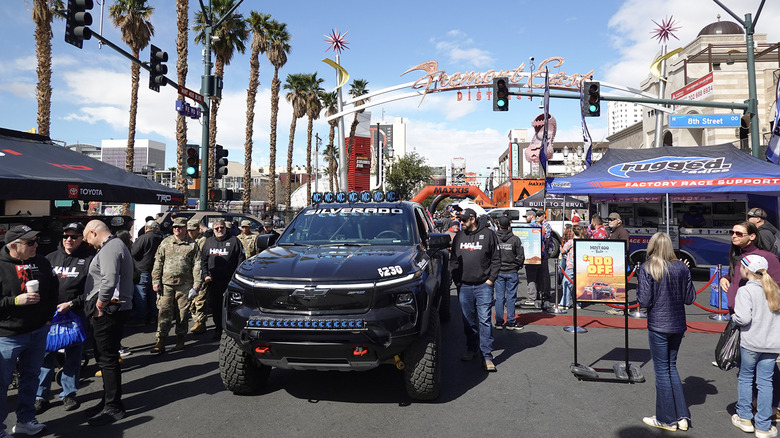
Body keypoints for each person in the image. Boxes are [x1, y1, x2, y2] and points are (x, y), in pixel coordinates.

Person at [0, 225, 58, 436]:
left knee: (31, 377)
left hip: (37, 331)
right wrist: (15, 301)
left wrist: (47, 318)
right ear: (13, 246)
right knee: (2, 383)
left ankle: (25, 420)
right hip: (6, 335)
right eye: (30, 242)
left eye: (36, 241)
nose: (36, 245)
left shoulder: (41, 262)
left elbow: (53, 291)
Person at [637, 232, 695, 432]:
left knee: (662, 371)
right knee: (671, 367)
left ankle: (667, 418)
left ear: (652, 247)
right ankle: (681, 416)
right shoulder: (682, 268)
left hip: (659, 324)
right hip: (678, 324)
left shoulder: (648, 268)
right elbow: (689, 298)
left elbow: (644, 301)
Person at [36, 222, 94, 414]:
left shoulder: (89, 260)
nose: (69, 239)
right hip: (49, 316)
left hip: (74, 315)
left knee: (73, 356)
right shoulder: (49, 258)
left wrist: (72, 303)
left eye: (74, 236)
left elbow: (92, 291)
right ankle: (40, 396)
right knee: (45, 355)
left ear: (81, 238)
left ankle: (69, 394)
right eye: (66, 236)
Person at [81, 219, 134, 426]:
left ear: (93, 233)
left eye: (87, 239)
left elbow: (109, 280)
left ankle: (113, 406)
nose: (89, 244)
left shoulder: (110, 248)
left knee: (107, 360)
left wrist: (100, 306)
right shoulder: (113, 246)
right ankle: (108, 401)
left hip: (109, 311)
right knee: (105, 358)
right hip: (111, 309)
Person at [731, 254, 780, 437]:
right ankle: (763, 425)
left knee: (745, 378)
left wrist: (733, 318)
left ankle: (744, 418)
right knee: (765, 382)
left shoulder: (746, 291)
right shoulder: (774, 290)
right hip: (772, 344)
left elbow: (743, 318)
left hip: (751, 343)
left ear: (746, 270)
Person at [449, 208, 500, 372]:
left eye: (463, 220)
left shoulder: (488, 235)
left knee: (484, 319)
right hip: (464, 286)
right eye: (460, 220)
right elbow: (453, 260)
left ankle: (486, 355)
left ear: (472, 219)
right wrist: (457, 281)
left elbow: (496, 259)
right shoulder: (459, 236)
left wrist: (491, 280)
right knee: (468, 321)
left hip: (483, 285)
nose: (460, 223)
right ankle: (471, 348)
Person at [150, 218, 202, 354]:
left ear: (185, 228)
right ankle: (160, 340)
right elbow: (158, 262)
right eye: (175, 227)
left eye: (180, 227)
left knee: (183, 313)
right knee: (163, 312)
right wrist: (155, 281)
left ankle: (180, 338)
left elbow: (197, 265)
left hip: (184, 285)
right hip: (166, 284)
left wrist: (197, 285)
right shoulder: (165, 242)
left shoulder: (192, 245)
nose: (177, 229)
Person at [720, 222, 780, 311]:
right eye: (732, 232)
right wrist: (725, 278)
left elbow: (777, 283)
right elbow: (736, 274)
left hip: (755, 312)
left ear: (752, 236)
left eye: (739, 234)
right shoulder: (738, 254)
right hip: (735, 311)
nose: (734, 236)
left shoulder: (767, 256)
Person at [201, 218, 245, 340]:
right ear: (213, 229)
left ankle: (231, 330)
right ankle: (218, 329)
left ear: (225, 228)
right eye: (217, 228)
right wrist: (206, 275)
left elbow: (241, 260)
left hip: (230, 281)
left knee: (232, 307)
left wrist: (236, 278)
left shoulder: (234, 241)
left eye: (222, 227)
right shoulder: (208, 242)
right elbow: (203, 261)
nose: (220, 230)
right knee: (216, 307)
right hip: (213, 281)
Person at [130, 220, 163, 326]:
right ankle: (153, 317)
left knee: (141, 296)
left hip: (142, 270)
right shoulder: (162, 239)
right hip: (157, 271)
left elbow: (134, 252)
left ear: (146, 228)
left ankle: (140, 318)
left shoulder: (144, 238)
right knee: (153, 296)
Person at [494, 215, 524, 330]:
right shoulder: (515, 239)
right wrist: (517, 266)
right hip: (512, 270)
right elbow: (521, 256)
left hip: (499, 271)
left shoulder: (494, 238)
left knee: (500, 297)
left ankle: (499, 322)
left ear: (498, 225)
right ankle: (511, 321)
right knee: (511, 297)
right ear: (509, 225)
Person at [522, 209, 550, 307]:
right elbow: (546, 240)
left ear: (532, 216)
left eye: (527, 216)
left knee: (531, 277)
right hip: (541, 255)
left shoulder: (529, 227)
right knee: (539, 276)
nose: (526, 218)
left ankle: (532, 297)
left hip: (531, 255)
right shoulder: (542, 227)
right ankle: (539, 295)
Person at [187, 219, 209, 335]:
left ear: (198, 230)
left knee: (200, 299)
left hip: (199, 273)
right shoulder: (186, 240)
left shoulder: (202, 240)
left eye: (193, 230)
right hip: (188, 273)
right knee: (190, 300)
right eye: (189, 230)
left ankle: (201, 322)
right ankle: (197, 319)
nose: (190, 232)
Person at [559, 225, 584, 309]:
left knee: (567, 283)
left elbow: (563, 251)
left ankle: (564, 303)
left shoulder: (570, 242)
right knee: (578, 284)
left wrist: (560, 248)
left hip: (571, 264)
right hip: (580, 266)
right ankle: (578, 303)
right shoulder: (583, 241)